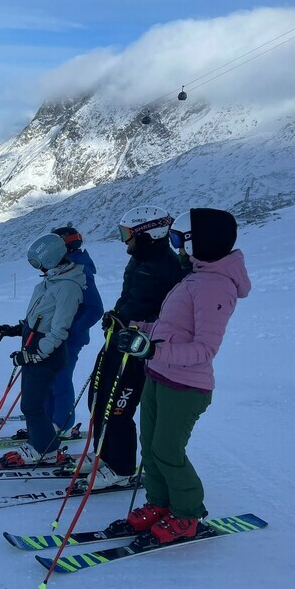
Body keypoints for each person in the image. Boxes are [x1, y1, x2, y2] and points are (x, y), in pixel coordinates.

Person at [113, 208, 249, 543]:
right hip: (159, 375)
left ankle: (187, 513)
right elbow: (171, 328)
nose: (175, 247)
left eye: (178, 240)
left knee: (168, 450)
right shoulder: (196, 275)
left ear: (199, 242)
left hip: (186, 386)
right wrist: (136, 329)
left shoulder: (215, 286)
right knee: (150, 447)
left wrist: (153, 351)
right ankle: (160, 503)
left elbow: (204, 349)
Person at [86, 206, 187, 488]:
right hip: (118, 340)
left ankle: (121, 469)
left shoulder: (169, 267)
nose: (124, 241)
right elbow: (129, 299)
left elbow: (172, 317)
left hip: (138, 348)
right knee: (98, 399)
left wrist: (138, 327)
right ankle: (104, 453)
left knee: (118, 407)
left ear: (147, 234)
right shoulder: (139, 261)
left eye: (127, 234)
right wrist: (116, 315)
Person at [0, 233, 85, 464]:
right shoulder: (49, 282)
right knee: (31, 404)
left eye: (39, 262)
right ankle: (40, 443)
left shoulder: (68, 287)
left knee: (32, 405)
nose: (39, 268)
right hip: (34, 348)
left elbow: (59, 330)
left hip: (46, 354)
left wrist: (35, 354)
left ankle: (45, 450)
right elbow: (39, 319)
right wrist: (16, 329)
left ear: (51, 258)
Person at [46, 226, 103, 432]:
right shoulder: (63, 267)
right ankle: (47, 421)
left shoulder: (80, 269)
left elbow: (95, 308)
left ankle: (62, 424)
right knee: (49, 378)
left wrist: (71, 330)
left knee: (60, 378)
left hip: (68, 338)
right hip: (53, 335)